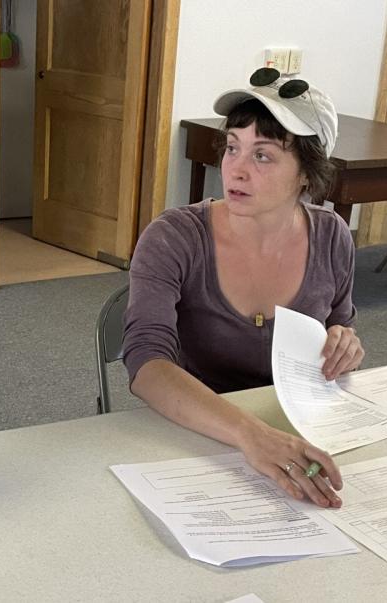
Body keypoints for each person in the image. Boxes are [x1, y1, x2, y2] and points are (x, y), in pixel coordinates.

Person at [122, 68, 364, 509]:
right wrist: (251, 435)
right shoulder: (175, 237)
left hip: (296, 433)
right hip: (196, 430)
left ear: (306, 174)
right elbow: (147, 364)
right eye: (233, 147)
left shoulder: (332, 237)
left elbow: (339, 324)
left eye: (263, 156)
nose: (236, 169)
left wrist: (345, 342)